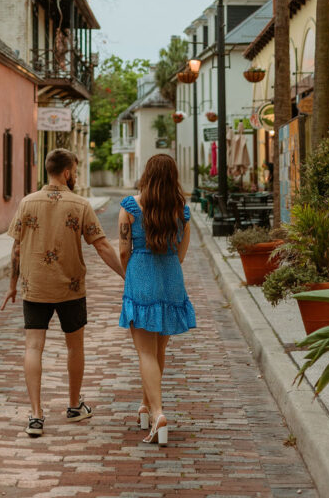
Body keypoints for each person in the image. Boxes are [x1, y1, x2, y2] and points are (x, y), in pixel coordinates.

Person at [1, 147, 124, 438]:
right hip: (70, 288)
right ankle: (73, 406)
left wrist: (12, 285)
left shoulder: (27, 203)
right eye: (76, 171)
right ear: (67, 173)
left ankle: (35, 415)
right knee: (75, 346)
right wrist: (126, 275)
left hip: (35, 287)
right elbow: (103, 246)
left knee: (33, 347)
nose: (76, 176)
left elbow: (16, 248)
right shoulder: (80, 204)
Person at [118, 153, 196, 447]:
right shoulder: (182, 212)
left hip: (141, 278)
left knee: (145, 353)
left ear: (146, 176)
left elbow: (124, 251)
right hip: (170, 280)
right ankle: (146, 405)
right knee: (159, 349)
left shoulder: (129, 208)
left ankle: (159, 413)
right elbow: (181, 254)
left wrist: (131, 276)